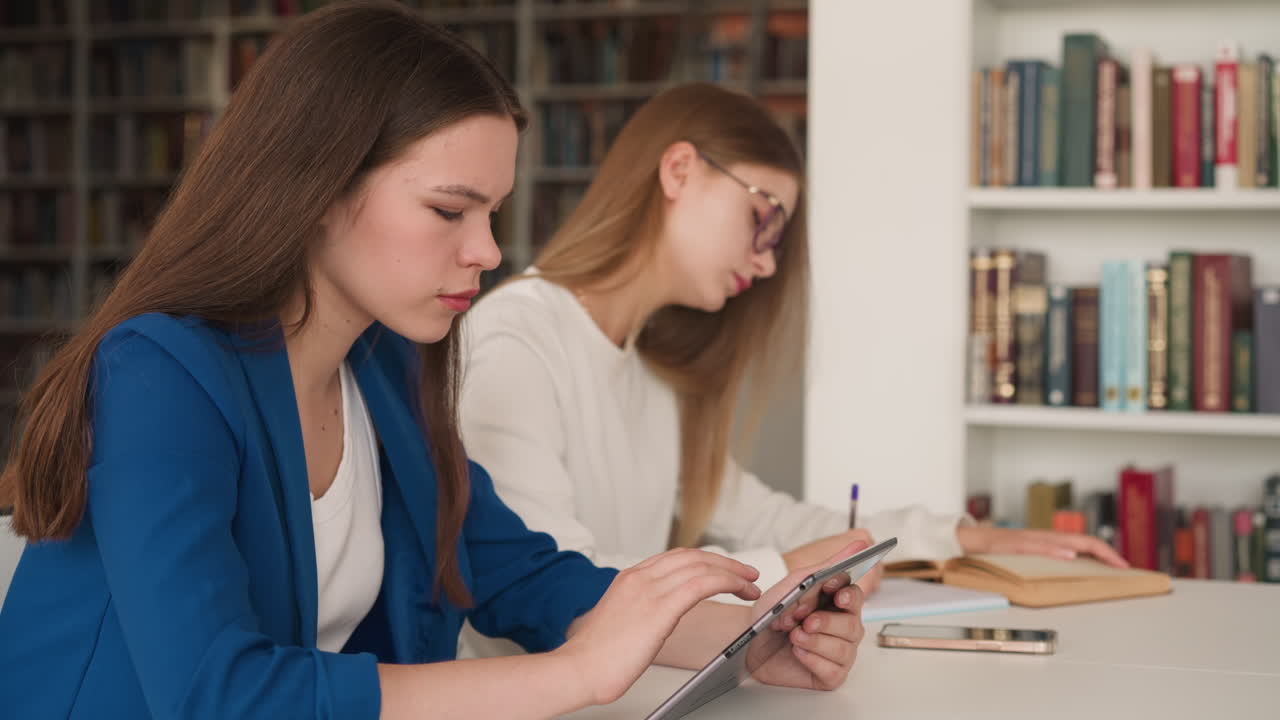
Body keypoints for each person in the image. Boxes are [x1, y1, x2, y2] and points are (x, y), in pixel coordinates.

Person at [0, 4, 868, 719]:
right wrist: (575, 676)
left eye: (492, 212)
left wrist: (748, 641)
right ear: (318, 187)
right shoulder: (159, 373)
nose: (488, 250)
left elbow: (523, 578)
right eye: (450, 210)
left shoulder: (383, 367)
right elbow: (218, 694)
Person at [458, 83, 1128, 629]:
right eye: (764, 215)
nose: (768, 258)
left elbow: (771, 517)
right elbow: (550, 586)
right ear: (679, 170)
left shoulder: (651, 370)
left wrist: (961, 539)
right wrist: (784, 567)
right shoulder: (515, 343)